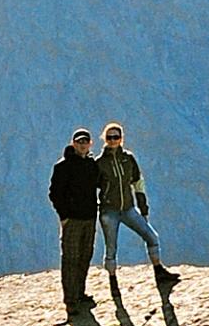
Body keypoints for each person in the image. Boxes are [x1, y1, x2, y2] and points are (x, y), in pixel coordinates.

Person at [97, 122, 179, 291]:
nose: (113, 140)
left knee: (151, 236)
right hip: (109, 211)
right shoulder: (99, 163)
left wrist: (143, 206)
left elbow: (137, 182)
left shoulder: (128, 158)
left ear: (121, 139)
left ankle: (159, 271)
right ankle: (113, 281)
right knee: (111, 248)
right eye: (109, 137)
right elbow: (91, 186)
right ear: (105, 139)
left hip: (128, 208)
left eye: (116, 137)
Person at [48, 128, 102, 313]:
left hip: (89, 217)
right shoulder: (62, 166)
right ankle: (70, 300)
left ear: (90, 144)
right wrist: (63, 216)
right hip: (72, 220)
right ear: (73, 143)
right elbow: (55, 194)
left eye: (85, 141)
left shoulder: (92, 164)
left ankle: (80, 293)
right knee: (71, 259)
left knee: (85, 256)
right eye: (79, 142)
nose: (82, 144)